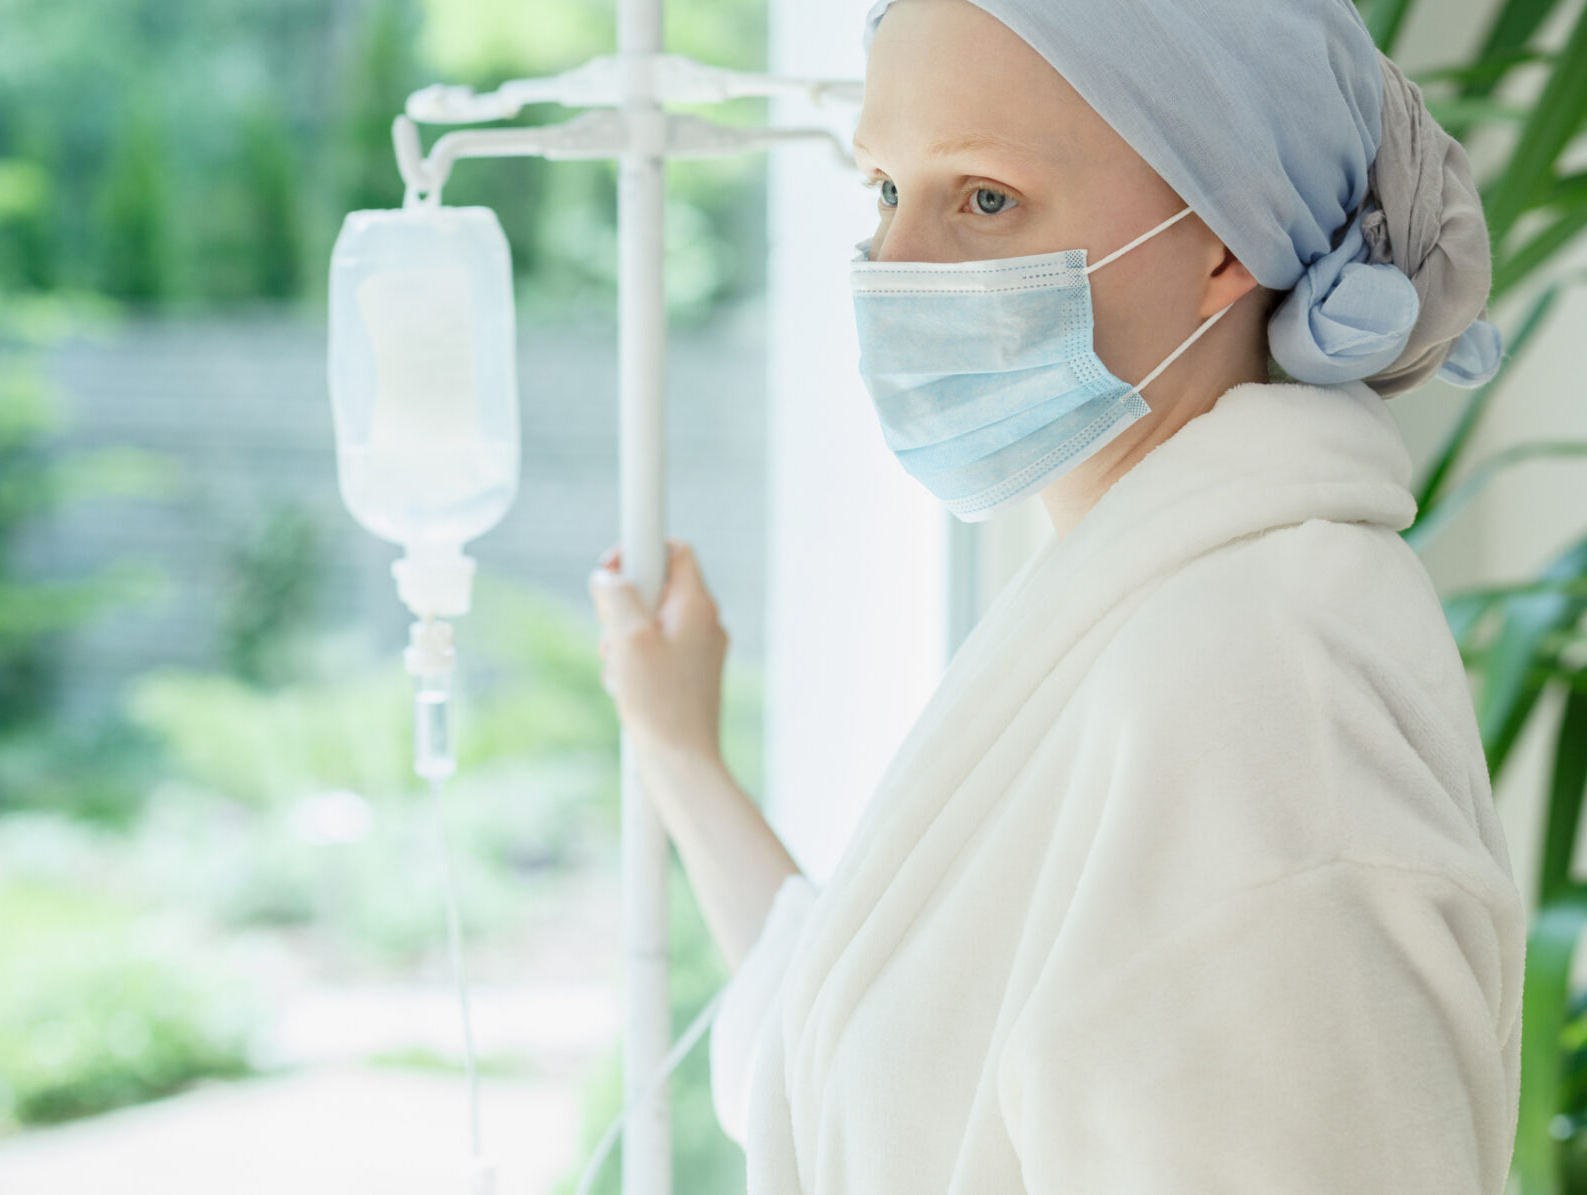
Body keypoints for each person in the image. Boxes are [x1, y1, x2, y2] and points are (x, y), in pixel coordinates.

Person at [587, 0, 1525, 1192]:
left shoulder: (1266, 698)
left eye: (984, 198)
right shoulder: (1135, 612)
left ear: (1225, 242)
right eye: (884, 192)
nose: (897, 272)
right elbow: (856, 1068)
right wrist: (681, 754)